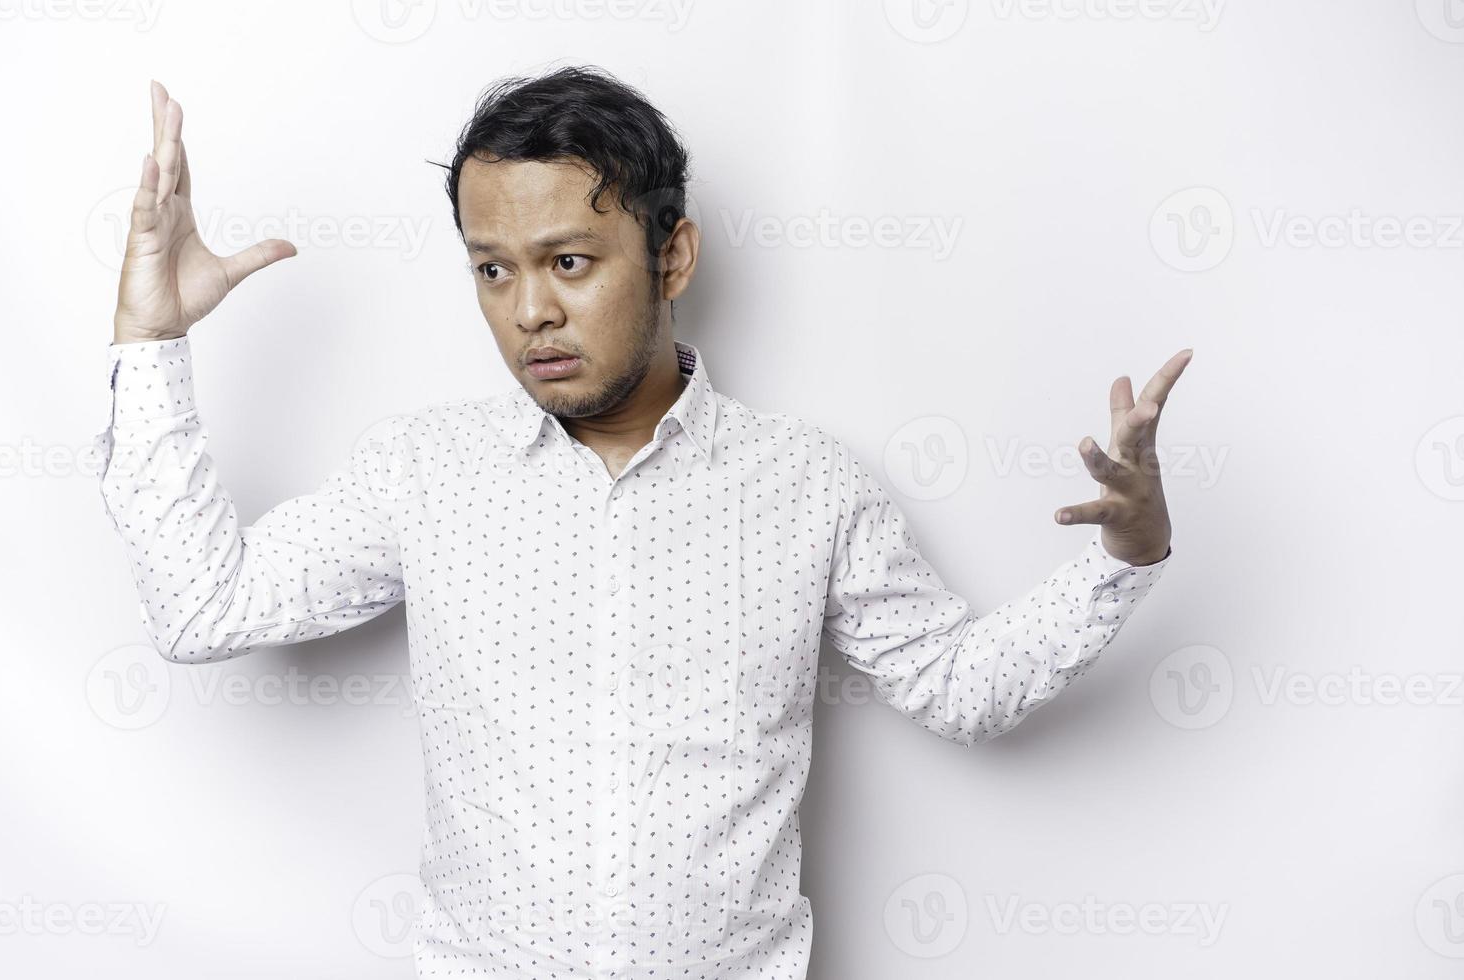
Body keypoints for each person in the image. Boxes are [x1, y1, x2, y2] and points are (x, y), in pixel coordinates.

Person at [94, 67, 1190, 979]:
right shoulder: (422, 473)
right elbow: (203, 606)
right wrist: (151, 338)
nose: (530, 311)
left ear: (672, 257)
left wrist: (1122, 556)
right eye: (493, 269)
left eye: (570, 261)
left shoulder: (807, 485)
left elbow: (961, 688)